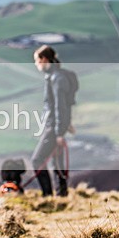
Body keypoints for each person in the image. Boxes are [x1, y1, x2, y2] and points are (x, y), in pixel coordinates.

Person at [31, 45, 74, 197]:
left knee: (37, 160)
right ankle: (62, 195)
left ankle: (47, 196)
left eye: (36, 61)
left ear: (44, 59)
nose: (36, 65)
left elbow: (59, 105)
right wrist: (65, 124)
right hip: (56, 126)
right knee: (56, 160)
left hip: (54, 127)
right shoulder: (56, 76)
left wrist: (59, 132)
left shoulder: (56, 78)